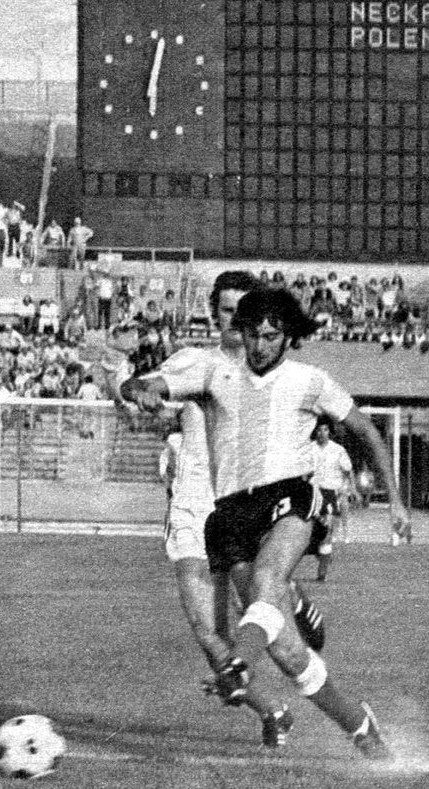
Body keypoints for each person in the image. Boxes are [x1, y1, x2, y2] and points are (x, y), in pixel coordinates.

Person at [120, 287, 409, 760]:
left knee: (268, 581)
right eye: (252, 335)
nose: (259, 346)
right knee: (290, 654)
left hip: (290, 499)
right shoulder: (215, 372)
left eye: (271, 337)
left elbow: (366, 431)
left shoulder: (310, 380)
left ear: (288, 336)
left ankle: (239, 666)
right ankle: (361, 726)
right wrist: (143, 390)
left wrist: (395, 501)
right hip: (231, 514)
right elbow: (142, 384)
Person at [112, 272, 327, 749]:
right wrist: (136, 389)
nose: (235, 320)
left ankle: (291, 599)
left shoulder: (274, 375)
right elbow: (142, 386)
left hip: (246, 511)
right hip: (193, 510)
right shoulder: (196, 363)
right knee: (208, 633)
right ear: (214, 315)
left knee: (265, 624)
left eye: (243, 310)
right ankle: (272, 711)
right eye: (226, 310)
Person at [308, 419, 353, 581]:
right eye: (319, 430)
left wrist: (347, 489)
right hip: (311, 493)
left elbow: (348, 470)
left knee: (326, 533)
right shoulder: (308, 449)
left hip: (329, 494)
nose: (322, 433)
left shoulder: (338, 450)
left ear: (329, 432)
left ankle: (322, 574)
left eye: (325, 430)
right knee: (312, 534)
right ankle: (324, 556)